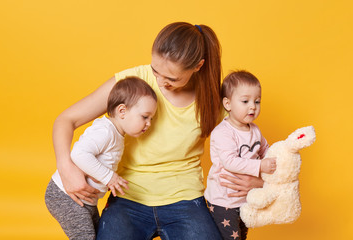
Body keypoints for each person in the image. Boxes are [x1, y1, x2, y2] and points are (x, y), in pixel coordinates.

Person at [52, 22, 263, 240]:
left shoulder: (214, 99)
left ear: (198, 66)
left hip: (187, 199)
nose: (160, 82)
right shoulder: (133, 82)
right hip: (127, 196)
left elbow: (254, 148)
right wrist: (65, 166)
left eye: (171, 79)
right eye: (155, 71)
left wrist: (259, 181)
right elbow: (66, 120)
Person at [45, 76, 157, 240]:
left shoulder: (117, 134)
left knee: (100, 235)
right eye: (145, 117)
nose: (149, 124)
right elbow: (79, 154)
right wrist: (109, 177)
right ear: (122, 111)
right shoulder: (105, 131)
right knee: (84, 236)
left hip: (86, 200)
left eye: (151, 119)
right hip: (65, 196)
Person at [204, 70, 277, 240]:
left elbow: (265, 149)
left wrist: (278, 155)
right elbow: (230, 162)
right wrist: (260, 166)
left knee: (242, 235)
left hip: (245, 199)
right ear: (228, 104)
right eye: (245, 101)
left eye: (257, 101)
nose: (252, 106)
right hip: (224, 201)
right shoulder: (223, 132)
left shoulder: (255, 130)